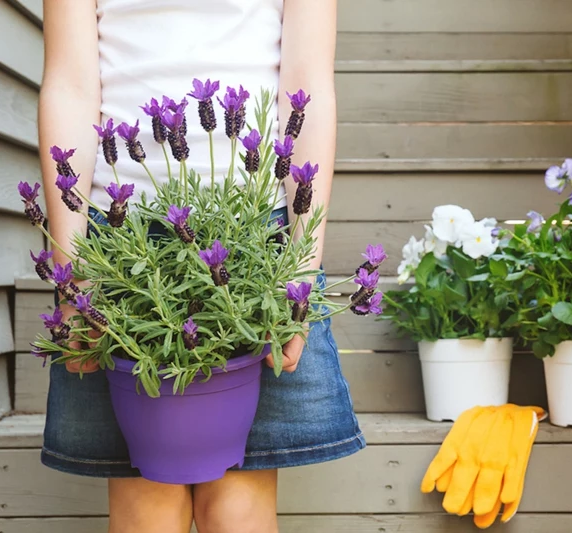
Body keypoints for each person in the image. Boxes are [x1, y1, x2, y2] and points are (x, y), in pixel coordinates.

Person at [38, 1, 363, 532]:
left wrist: (301, 265)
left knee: (238, 508)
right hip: (122, 248)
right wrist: (72, 278)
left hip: (255, 238)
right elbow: (70, 86)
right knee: (148, 509)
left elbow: (308, 84)